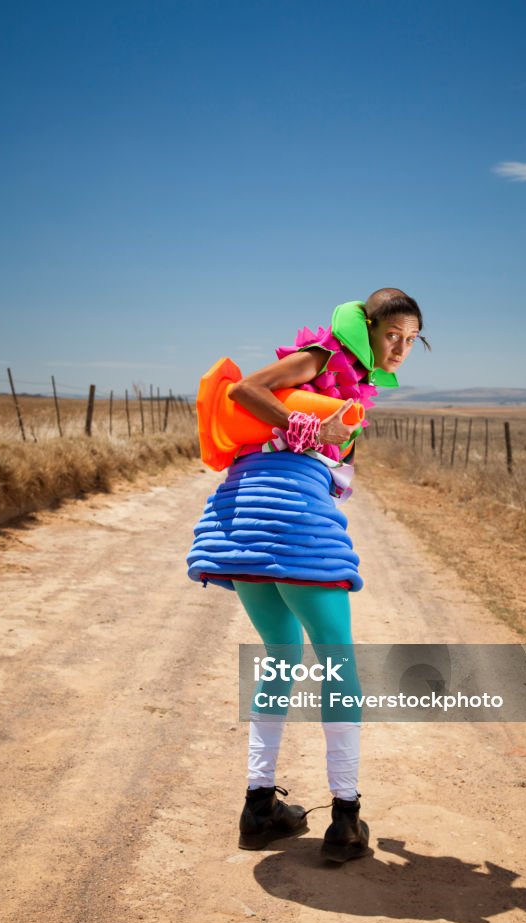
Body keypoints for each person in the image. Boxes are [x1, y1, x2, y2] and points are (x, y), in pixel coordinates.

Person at [186, 287, 427, 863]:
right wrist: (305, 430)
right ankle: (345, 817)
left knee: (279, 652)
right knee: (336, 659)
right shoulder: (320, 355)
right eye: (391, 334)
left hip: (242, 522)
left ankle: (259, 806)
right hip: (291, 522)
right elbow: (247, 389)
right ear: (364, 327)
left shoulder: (353, 381)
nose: (399, 348)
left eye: (411, 340)